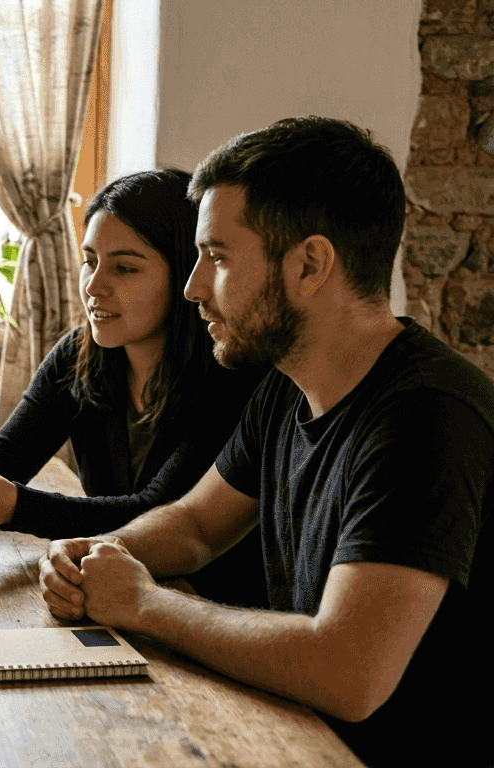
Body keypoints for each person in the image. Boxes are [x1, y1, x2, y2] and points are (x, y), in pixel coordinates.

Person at [38, 117, 492, 766]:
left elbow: (347, 671)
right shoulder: (287, 385)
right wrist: (98, 553)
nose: (193, 287)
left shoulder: (427, 418)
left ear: (309, 265)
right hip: (296, 735)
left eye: (218, 258)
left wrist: (143, 602)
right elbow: (197, 525)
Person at [0, 169, 268, 608]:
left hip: (209, 608)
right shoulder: (77, 356)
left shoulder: (232, 376)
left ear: (187, 274)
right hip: (105, 593)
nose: (93, 286)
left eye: (124, 268)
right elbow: (3, 465)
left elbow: (159, 514)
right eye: (90, 261)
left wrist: (16, 507)